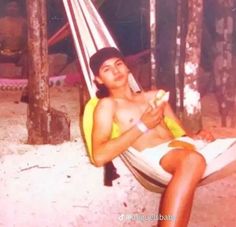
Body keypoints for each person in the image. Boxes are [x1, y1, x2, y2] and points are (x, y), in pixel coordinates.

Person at [89, 47, 216, 227]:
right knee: (193, 161)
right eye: (107, 69)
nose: (116, 71)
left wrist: (197, 137)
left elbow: (180, 132)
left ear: (127, 68)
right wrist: (142, 125)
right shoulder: (107, 105)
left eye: (119, 64)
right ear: (99, 80)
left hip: (184, 149)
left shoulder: (155, 96)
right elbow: (99, 156)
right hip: (158, 156)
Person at [0, 1, 28, 77]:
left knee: (28, 59)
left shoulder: (24, 23)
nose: (12, 9)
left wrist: (22, 52)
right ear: (6, 8)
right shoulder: (1, 22)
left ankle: (24, 82)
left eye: (15, 7)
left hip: (19, 54)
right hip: (3, 53)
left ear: (19, 9)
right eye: (10, 6)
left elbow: (28, 40)